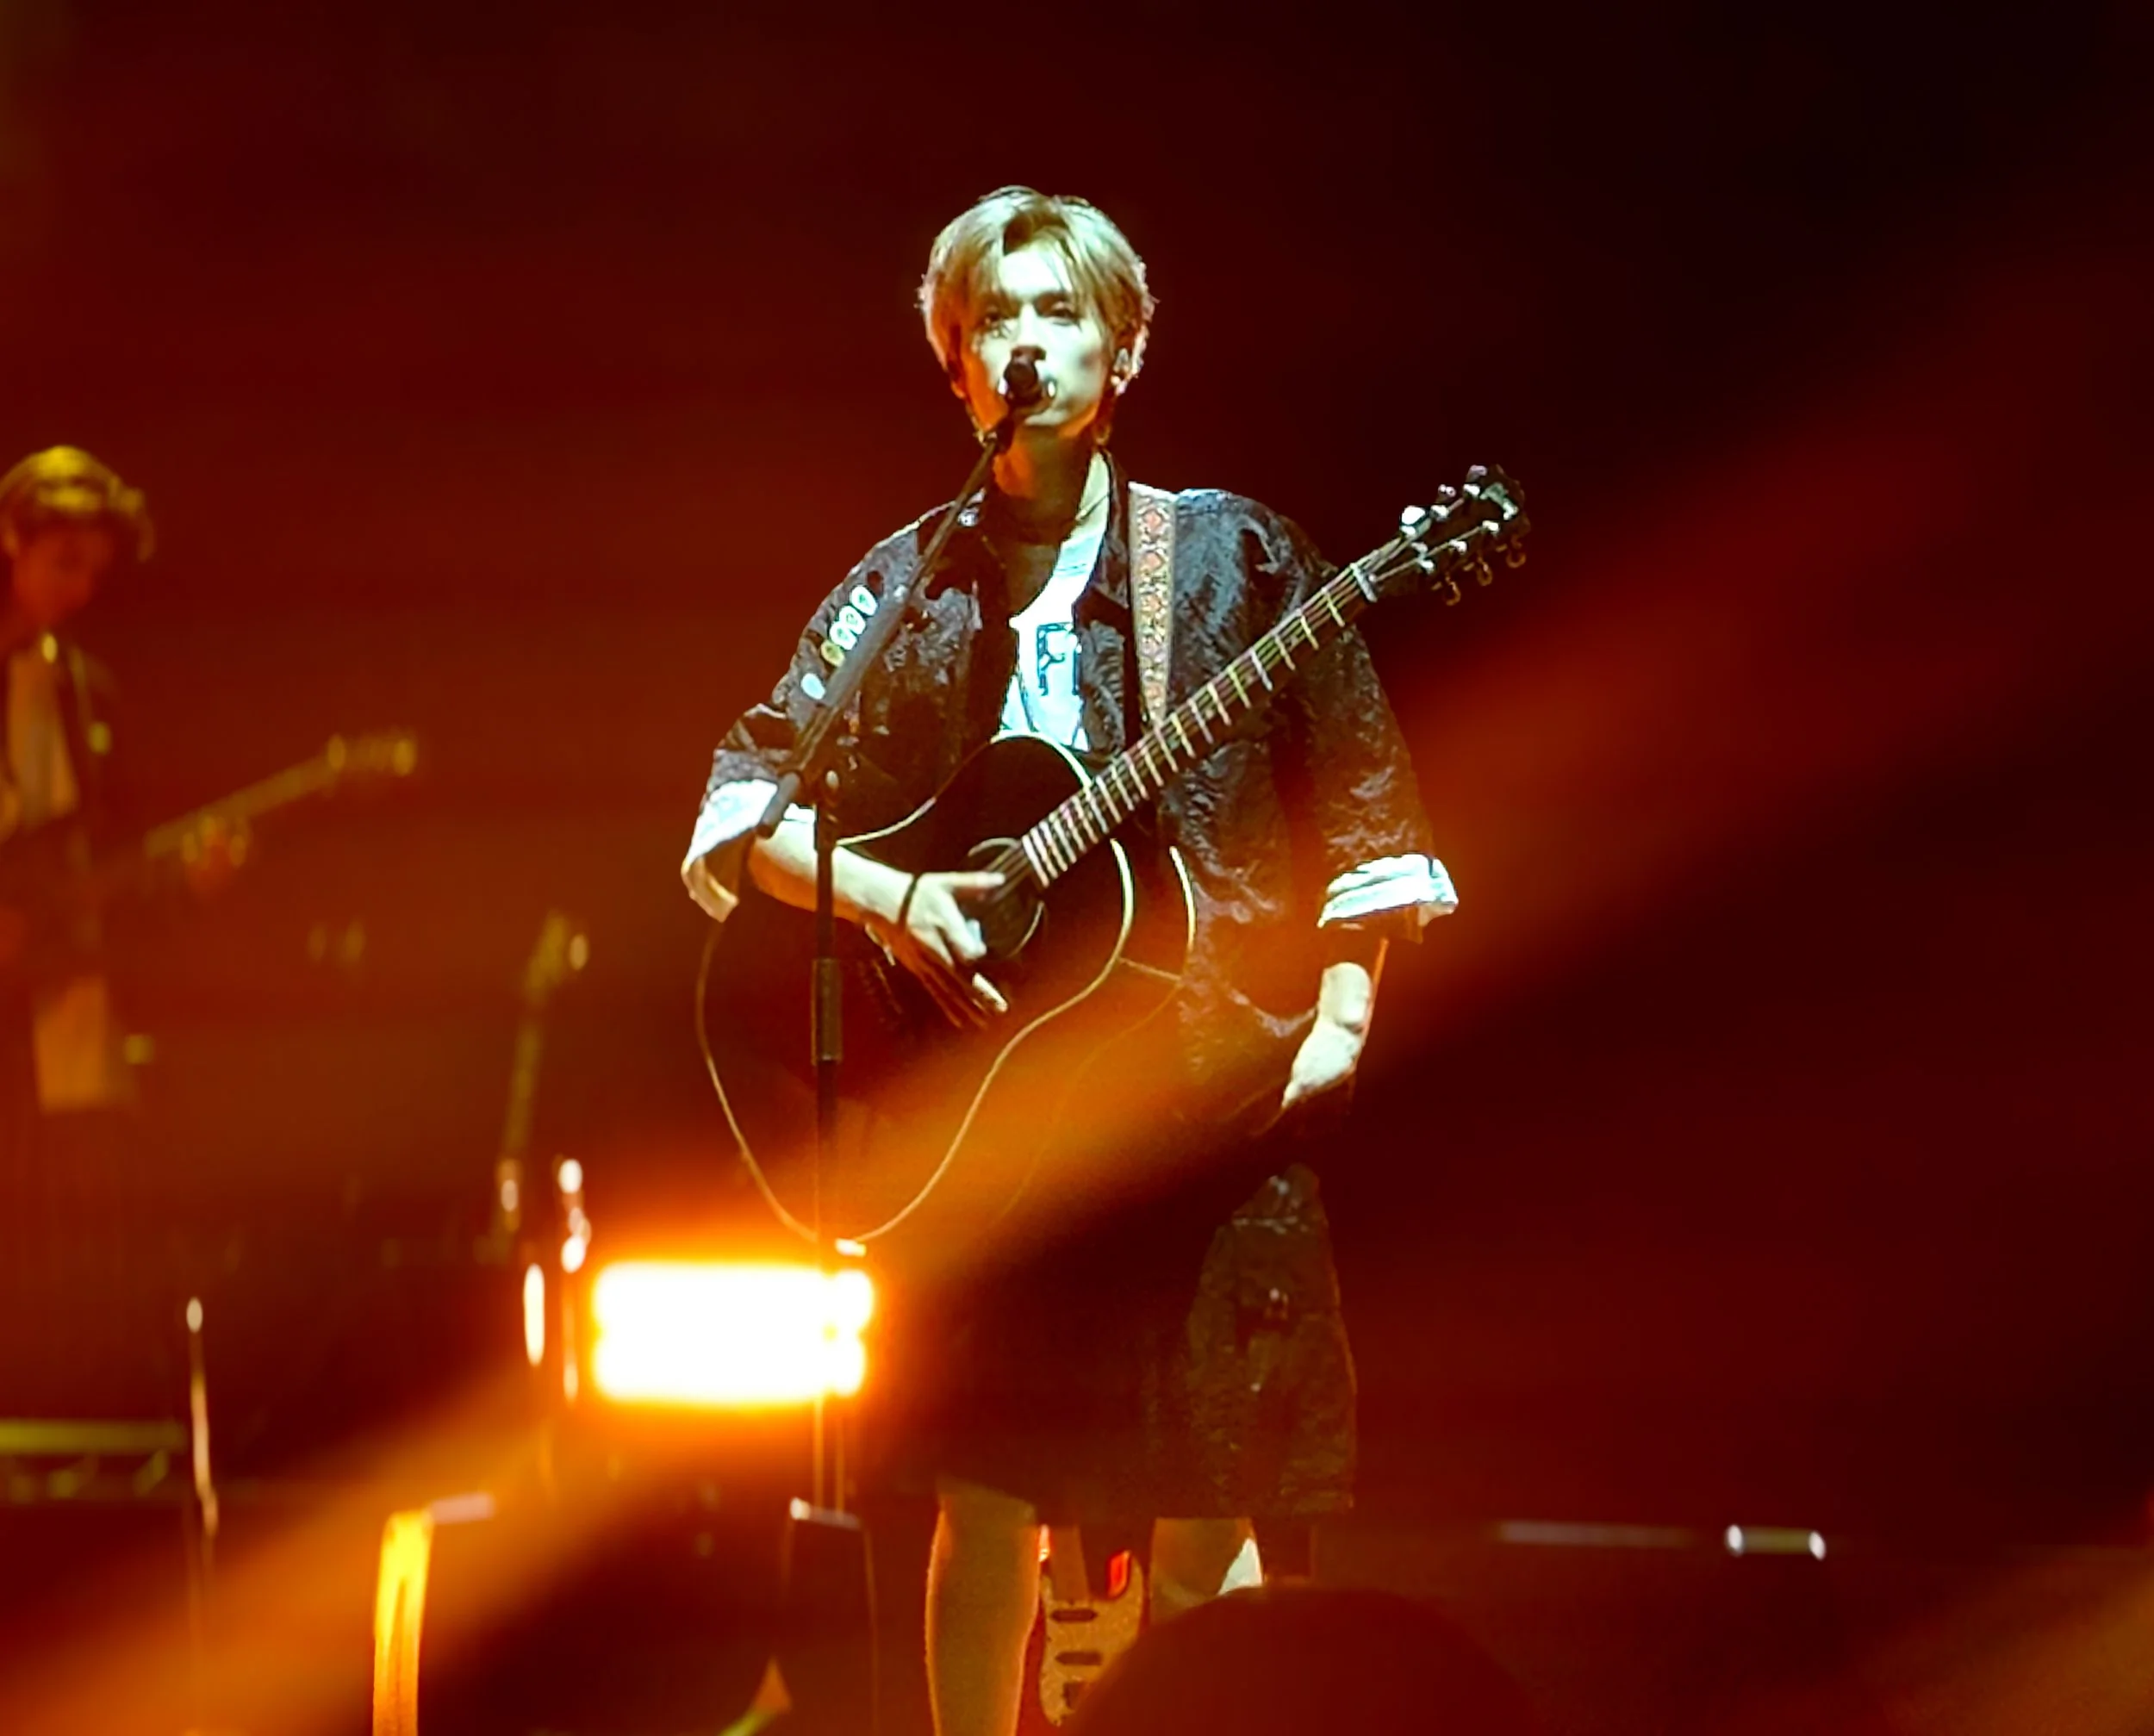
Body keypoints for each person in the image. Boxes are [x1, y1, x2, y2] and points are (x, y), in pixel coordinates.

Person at [683, 188, 1456, 1736]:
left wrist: (1349, 1006)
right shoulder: (904, 589)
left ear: (1124, 348)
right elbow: (741, 803)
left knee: (1206, 1518)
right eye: (996, 323)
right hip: (998, 1123)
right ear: (955, 367)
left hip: (1212, 1097)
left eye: (1060, 314)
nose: (1029, 345)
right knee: (985, 1506)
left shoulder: (1232, 560)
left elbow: (1365, 790)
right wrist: (901, 901)